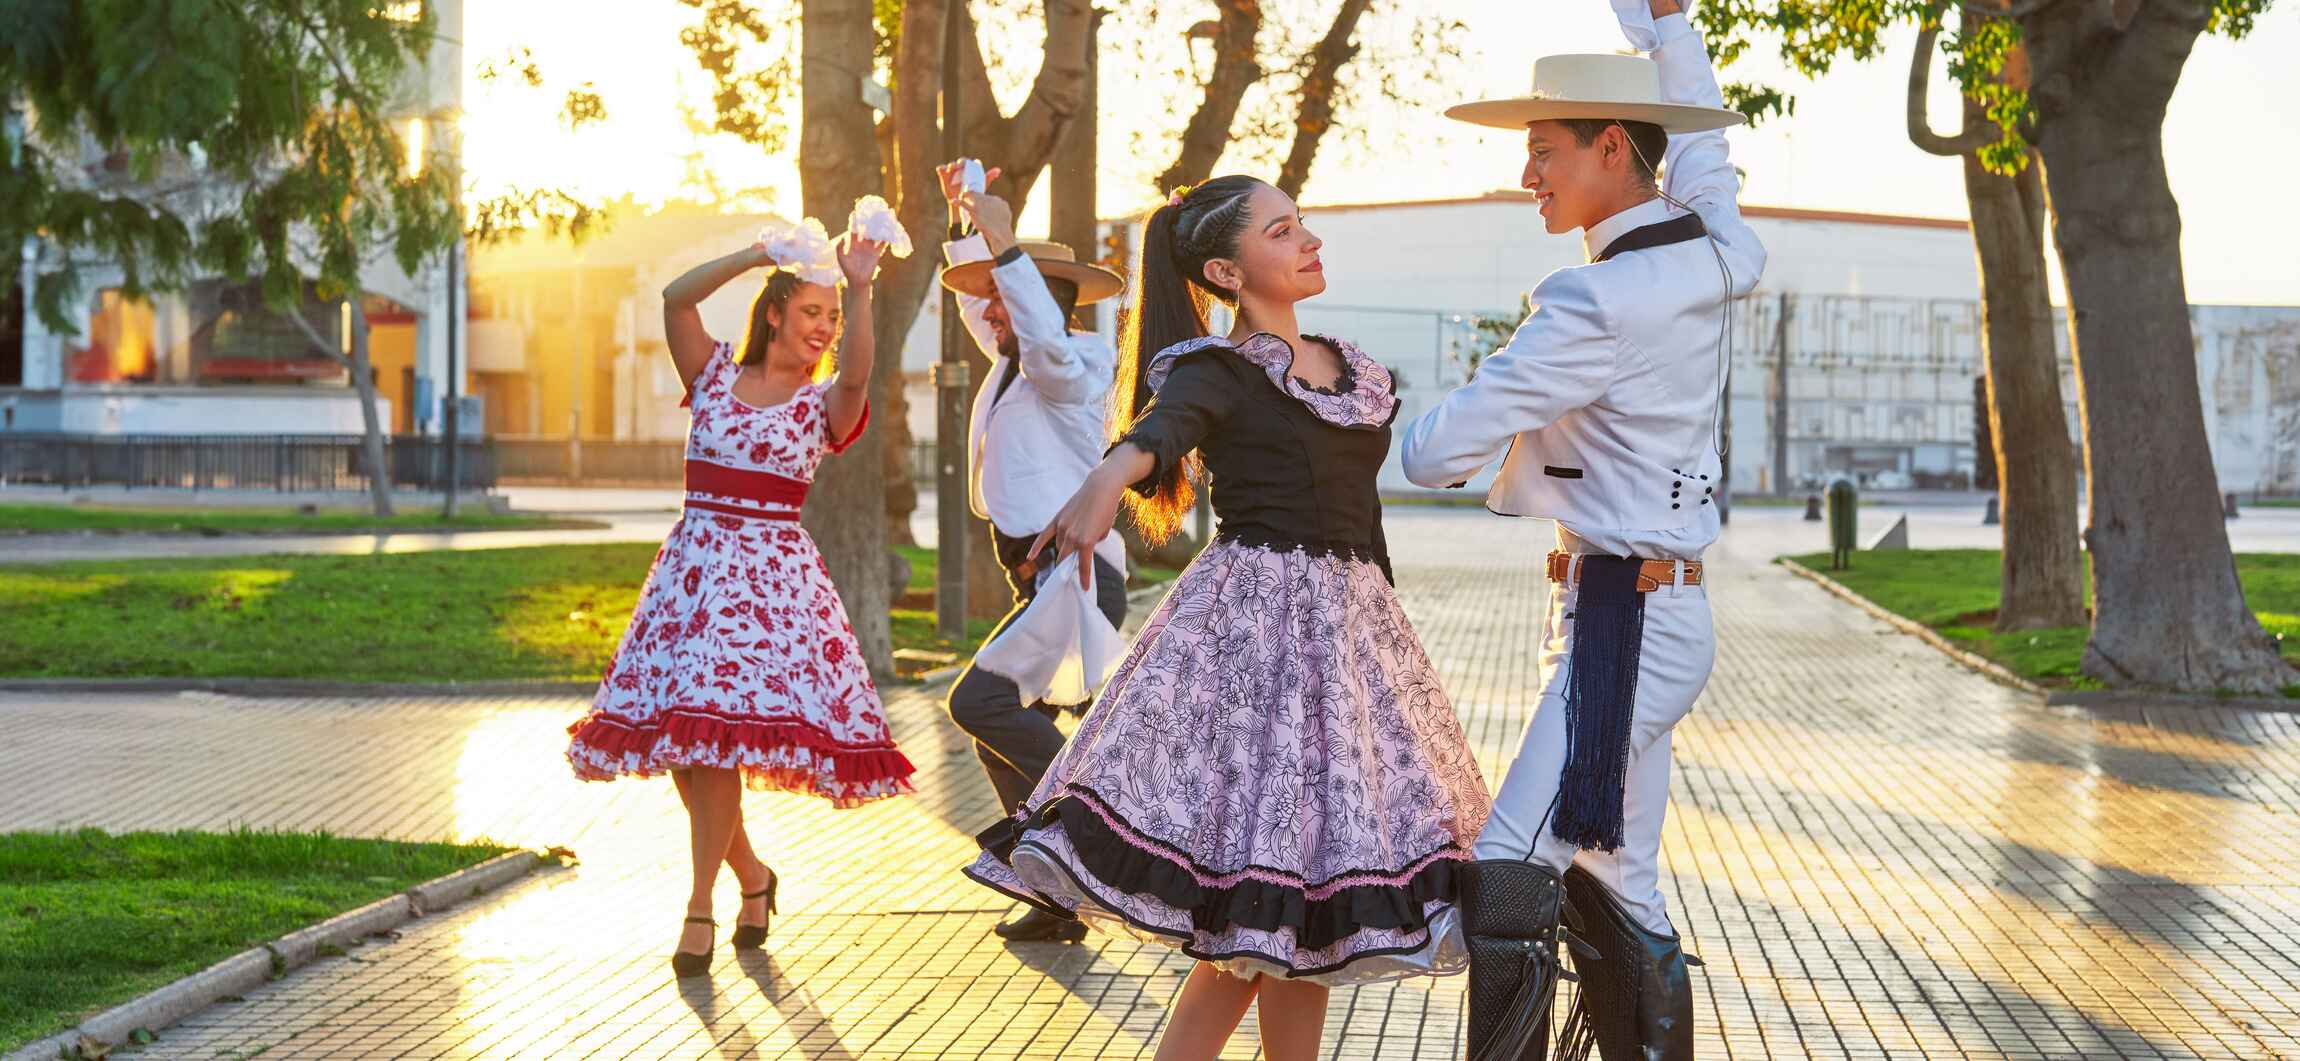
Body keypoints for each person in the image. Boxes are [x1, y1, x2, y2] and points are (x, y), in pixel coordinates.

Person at [964, 175, 1491, 1061]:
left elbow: (1364, 523)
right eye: (1283, 232)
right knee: (1260, 928)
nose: (1308, 240)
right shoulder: (1217, 368)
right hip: (1259, 643)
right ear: (1225, 269)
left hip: (1353, 647)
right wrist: (1106, 477)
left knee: (1299, 937)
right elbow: (1163, 430)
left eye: (1302, 224)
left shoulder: (1352, 369)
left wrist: (1388, 653)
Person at [1397, 0, 1765, 1056]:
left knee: (1507, 868)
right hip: (1636, 610)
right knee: (1617, 876)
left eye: (1542, 151)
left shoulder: (1589, 300)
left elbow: (1430, 455)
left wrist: (1420, 416)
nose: (1528, 178)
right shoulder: (1714, 251)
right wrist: (1666, 25)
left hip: (1624, 627)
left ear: (1611, 147)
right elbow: (1703, 151)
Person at [564, 217, 916, 979]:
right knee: (687, 754)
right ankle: (753, 878)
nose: (823, 329)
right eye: (812, 312)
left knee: (711, 741)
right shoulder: (715, 375)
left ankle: (700, 906)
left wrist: (858, 286)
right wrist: (758, 253)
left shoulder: (824, 405)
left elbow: (859, 376)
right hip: (692, 580)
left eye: (831, 317)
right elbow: (674, 299)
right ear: (775, 313)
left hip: (768, 592)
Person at [933, 160, 1132, 944]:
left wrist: (1003, 235)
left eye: (1002, 295)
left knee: (977, 704)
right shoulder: (1013, 365)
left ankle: (1087, 831)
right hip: (1042, 584)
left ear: (1037, 304)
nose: (989, 310)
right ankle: (1054, 891)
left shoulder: (1071, 365)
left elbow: (1040, 340)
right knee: (997, 720)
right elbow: (992, 315)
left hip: (1076, 577)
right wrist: (967, 219)